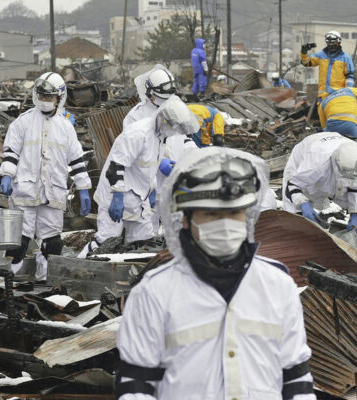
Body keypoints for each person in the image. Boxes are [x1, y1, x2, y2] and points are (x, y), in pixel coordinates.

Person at [116, 147, 315, 400]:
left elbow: (296, 378)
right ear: (186, 220)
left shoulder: (278, 285)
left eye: (234, 213)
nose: (225, 223)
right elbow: (136, 387)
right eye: (211, 214)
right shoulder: (153, 293)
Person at [0, 72, 91, 277]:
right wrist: (7, 175)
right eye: (41, 96)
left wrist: (84, 189)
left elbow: (76, 160)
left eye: (49, 97)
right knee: (18, 243)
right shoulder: (22, 123)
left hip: (53, 193)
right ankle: (4, 285)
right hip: (25, 191)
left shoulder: (66, 127)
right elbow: (11, 152)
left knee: (52, 244)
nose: (44, 101)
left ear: (59, 97)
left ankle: (44, 282)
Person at [92, 96, 199, 250]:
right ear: (163, 119)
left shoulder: (161, 138)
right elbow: (115, 167)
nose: (175, 131)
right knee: (105, 243)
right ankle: (77, 267)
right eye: (173, 126)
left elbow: (147, 169)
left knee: (144, 244)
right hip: (116, 194)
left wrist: (153, 189)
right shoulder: (138, 133)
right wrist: (117, 196)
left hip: (139, 197)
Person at [282, 133, 357, 249]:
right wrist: (303, 204)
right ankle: (298, 248)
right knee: (296, 217)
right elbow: (293, 185)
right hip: (307, 155)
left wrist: (356, 212)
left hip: (337, 161)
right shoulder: (316, 163)